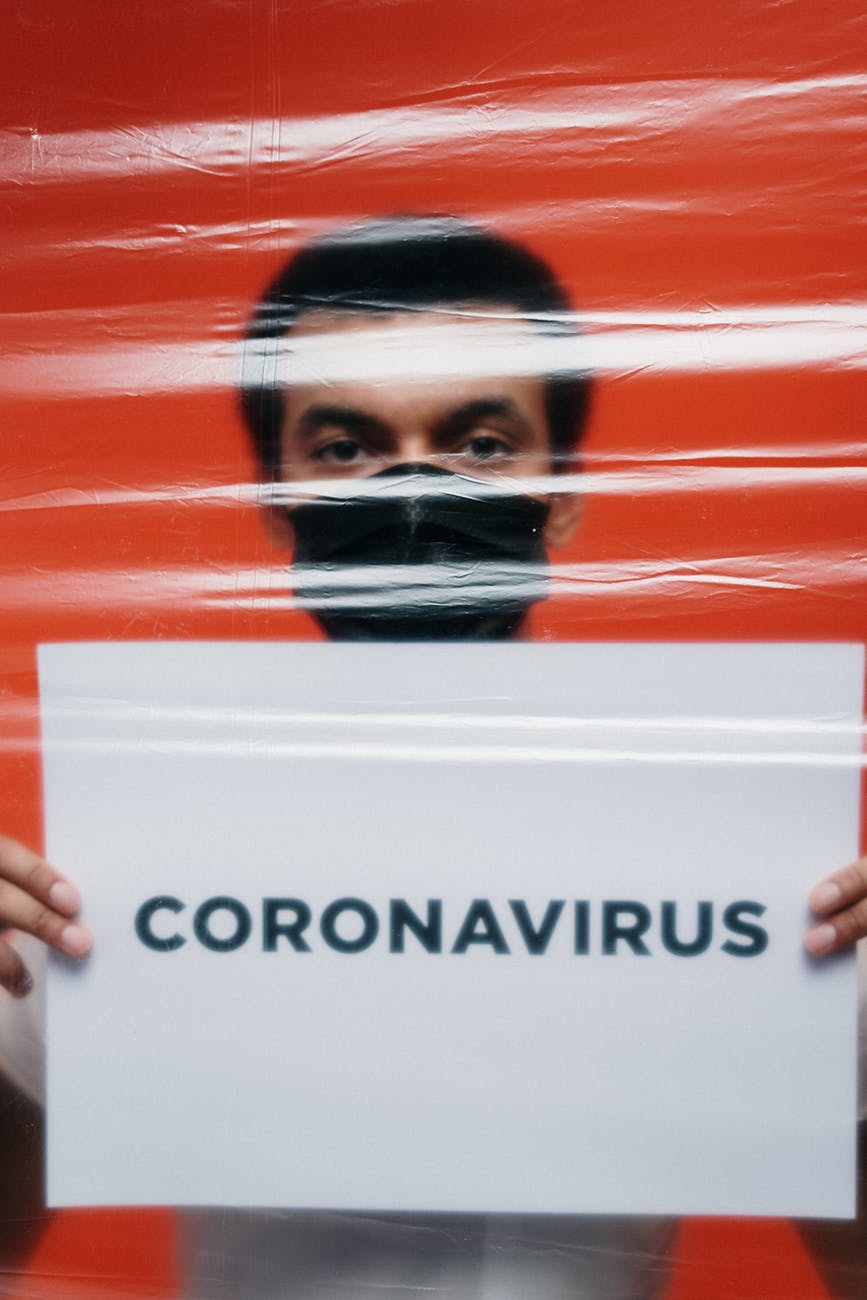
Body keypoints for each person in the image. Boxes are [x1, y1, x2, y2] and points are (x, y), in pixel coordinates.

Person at [0, 215, 865, 1296]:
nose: (414, 498)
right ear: (277, 502)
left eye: (481, 444)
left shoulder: (742, 866)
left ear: (565, 492)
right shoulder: (127, 855)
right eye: (346, 448)